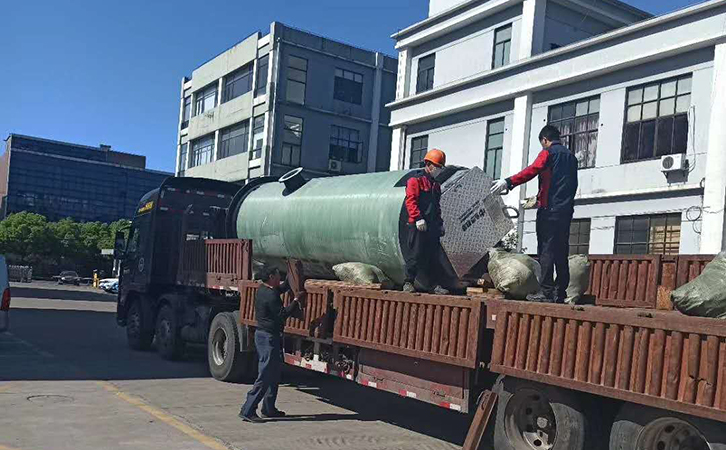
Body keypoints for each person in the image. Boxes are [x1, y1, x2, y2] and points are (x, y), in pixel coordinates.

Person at [491, 125, 578, 303]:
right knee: (561, 250)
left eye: (542, 143)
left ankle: (545, 292)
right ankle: (560, 292)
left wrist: (508, 182)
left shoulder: (549, 153)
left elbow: (532, 170)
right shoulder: (571, 157)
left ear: (545, 140)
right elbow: (568, 184)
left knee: (546, 250)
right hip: (566, 211)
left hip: (549, 210)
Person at [239, 266, 301, 423]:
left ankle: (269, 408)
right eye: (278, 275)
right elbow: (282, 315)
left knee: (274, 374)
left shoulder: (264, 289)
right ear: (271, 277)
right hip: (268, 338)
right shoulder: (271, 295)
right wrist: (296, 300)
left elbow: (281, 288)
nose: (279, 277)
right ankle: (248, 409)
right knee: (266, 374)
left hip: (265, 336)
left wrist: (291, 276)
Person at [402, 149, 449, 295]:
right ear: (428, 165)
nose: (439, 170)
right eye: (437, 166)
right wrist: (417, 218)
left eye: (441, 167)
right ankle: (408, 283)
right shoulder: (415, 181)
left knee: (433, 257)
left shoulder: (436, 185)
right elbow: (411, 201)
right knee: (415, 255)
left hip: (432, 226)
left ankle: (433, 285)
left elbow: (437, 206)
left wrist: (440, 224)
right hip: (418, 225)